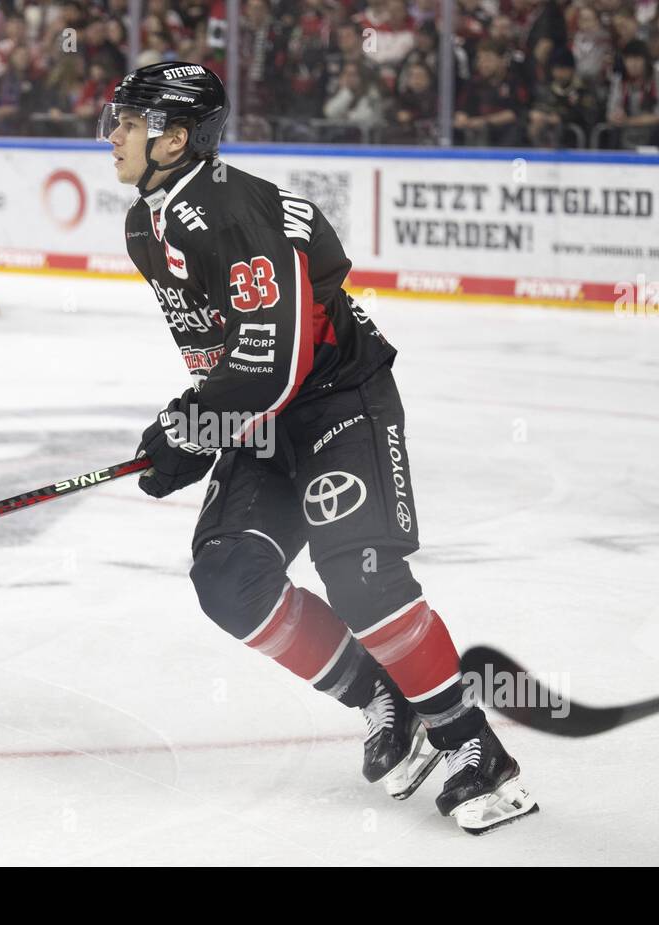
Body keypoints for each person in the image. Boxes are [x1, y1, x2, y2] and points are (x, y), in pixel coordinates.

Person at [99, 61, 538, 834]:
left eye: (129, 123)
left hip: (340, 399)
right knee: (229, 576)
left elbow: (274, 362)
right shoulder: (146, 223)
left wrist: (192, 424)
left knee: (358, 568)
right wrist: (194, 427)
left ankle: (473, 748)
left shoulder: (234, 214)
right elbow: (227, 353)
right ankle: (382, 696)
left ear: (174, 138)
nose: (114, 136)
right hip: (268, 415)